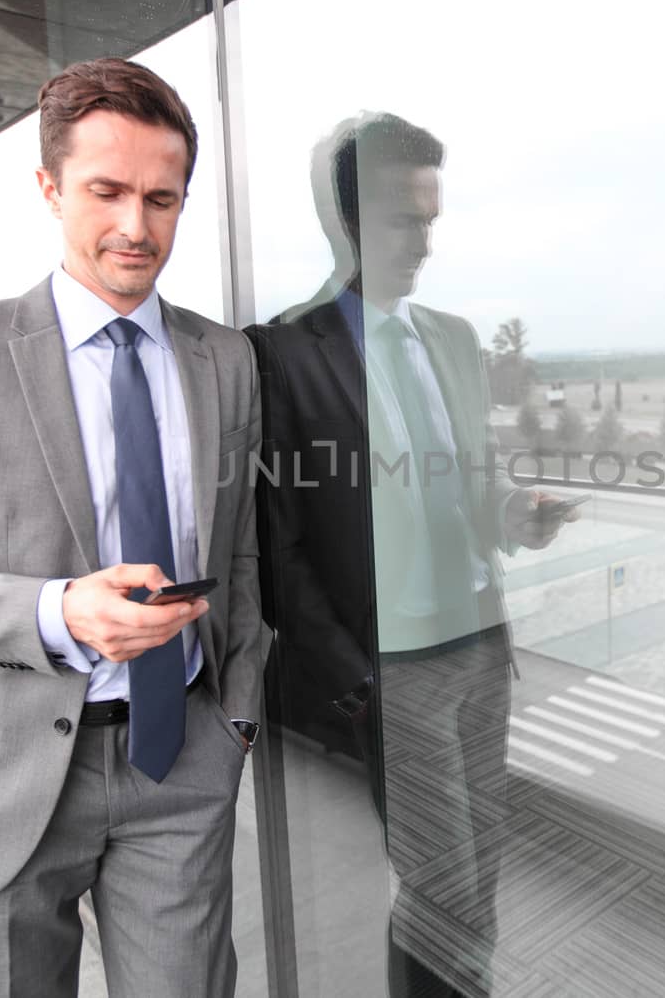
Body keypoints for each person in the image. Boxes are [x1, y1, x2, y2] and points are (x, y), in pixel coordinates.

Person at [0, 57, 268, 997]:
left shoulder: (226, 357)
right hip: (2, 769)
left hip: (181, 763)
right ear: (48, 188)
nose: (135, 227)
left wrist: (233, 716)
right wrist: (58, 612)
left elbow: (236, 548)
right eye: (106, 191)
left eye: (162, 198)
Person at [248, 113, 576, 996]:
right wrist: (359, 679)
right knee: (442, 887)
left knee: (478, 878)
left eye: (432, 218)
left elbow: (475, 480)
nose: (425, 241)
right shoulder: (281, 351)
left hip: (477, 650)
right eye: (403, 219)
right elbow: (278, 547)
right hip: (395, 670)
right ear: (346, 221)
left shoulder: (455, 340)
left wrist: (517, 512)